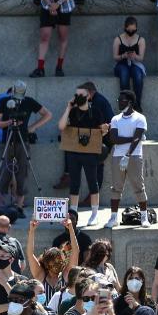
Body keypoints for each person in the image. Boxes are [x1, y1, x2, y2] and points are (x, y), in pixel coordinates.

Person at [0, 80, 52, 208]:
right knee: (5, 170)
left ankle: (19, 205)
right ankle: (0, 203)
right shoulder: (4, 101)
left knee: (22, 172)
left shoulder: (29, 102)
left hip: (23, 140)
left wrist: (33, 127)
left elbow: (48, 114)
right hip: (8, 140)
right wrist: (10, 122)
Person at [57, 83, 108, 223]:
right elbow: (61, 126)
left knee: (93, 181)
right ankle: (73, 211)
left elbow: (101, 131)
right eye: (76, 95)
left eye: (81, 95)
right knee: (75, 182)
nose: (78, 97)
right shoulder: (72, 112)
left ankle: (94, 213)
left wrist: (104, 129)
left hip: (90, 152)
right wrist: (68, 108)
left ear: (88, 96)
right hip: (74, 152)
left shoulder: (96, 112)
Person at [104, 89, 151, 229]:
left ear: (129, 102)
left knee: (138, 186)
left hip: (134, 156)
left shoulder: (140, 118)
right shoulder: (115, 119)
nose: (119, 102)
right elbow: (114, 139)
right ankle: (113, 218)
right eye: (118, 100)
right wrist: (133, 138)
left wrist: (128, 154)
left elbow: (137, 139)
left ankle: (144, 217)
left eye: (122, 100)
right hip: (117, 156)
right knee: (116, 187)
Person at [32, 0, 79, 78]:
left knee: (63, 37)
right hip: (47, 6)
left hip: (65, 7)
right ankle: (40, 68)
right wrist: (50, 5)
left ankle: (59, 67)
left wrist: (57, 4)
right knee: (44, 36)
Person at [113, 16, 147, 110]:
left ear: (136, 28)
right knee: (124, 73)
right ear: (125, 28)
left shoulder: (141, 40)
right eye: (129, 30)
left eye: (133, 30)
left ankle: (137, 103)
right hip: (121, 64)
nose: (131, 32)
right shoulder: (118, 39)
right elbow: (115, 57)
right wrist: (123, 56)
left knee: (138, 75)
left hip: (135, 63)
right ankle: (126, 104)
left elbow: (141, 58)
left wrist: (135, 56)